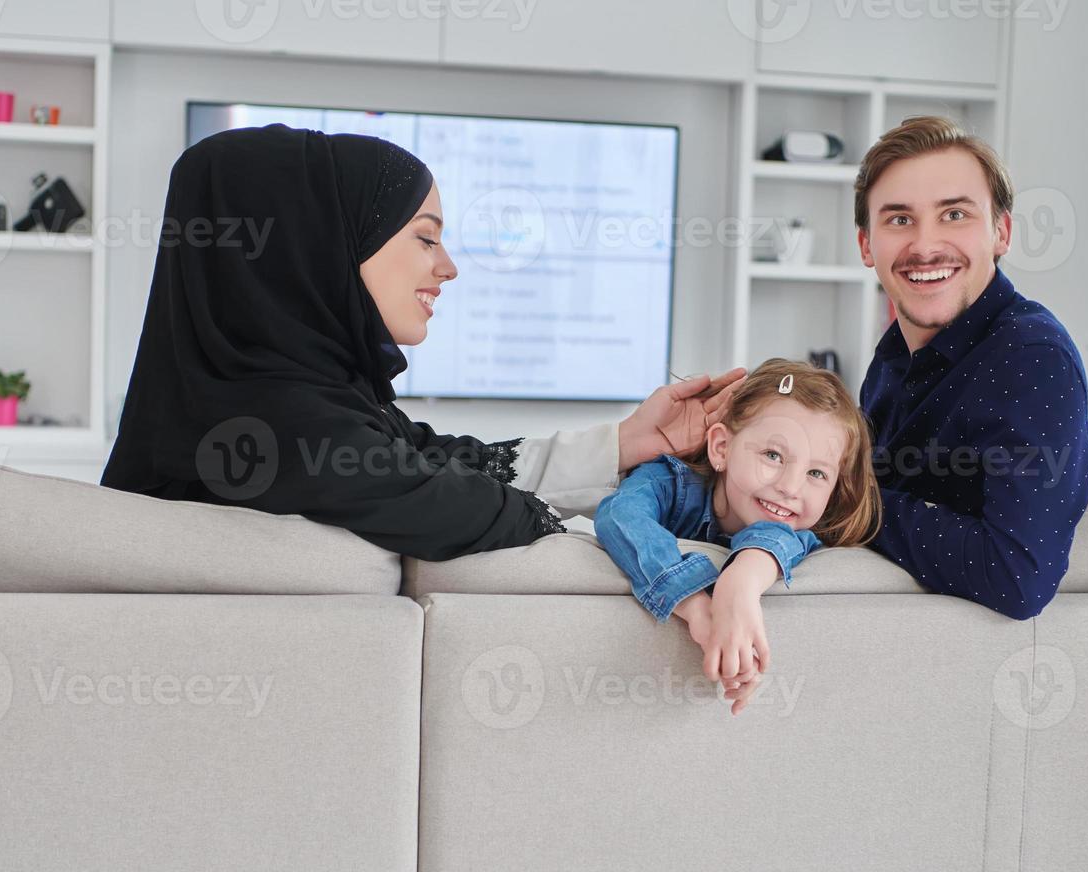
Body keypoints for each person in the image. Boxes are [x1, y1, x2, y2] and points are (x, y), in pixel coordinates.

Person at [102, 124, 743, 560]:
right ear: (323, 246)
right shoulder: (273, 428)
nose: (448, 267)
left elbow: (439, 462)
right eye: (425, 237)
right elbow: (447, 500)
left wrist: (628, 443)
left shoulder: (297, 401)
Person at [853, 116, 1088, 619]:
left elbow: (1017, 578)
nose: (924, 245)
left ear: (1001, 232)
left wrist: (849, 503)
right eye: (899, 220)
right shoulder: (894, 354)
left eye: (955, 215)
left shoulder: (1031, 358)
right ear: (865, 245)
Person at [595, 359, 881, 715]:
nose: (790, 487)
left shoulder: (802, 532)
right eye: (773, 455)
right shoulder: (668, 484)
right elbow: (619, 514)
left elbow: (776, 539)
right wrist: (696, 606)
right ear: (721, 448)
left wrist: (740, 583)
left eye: (816, 473)